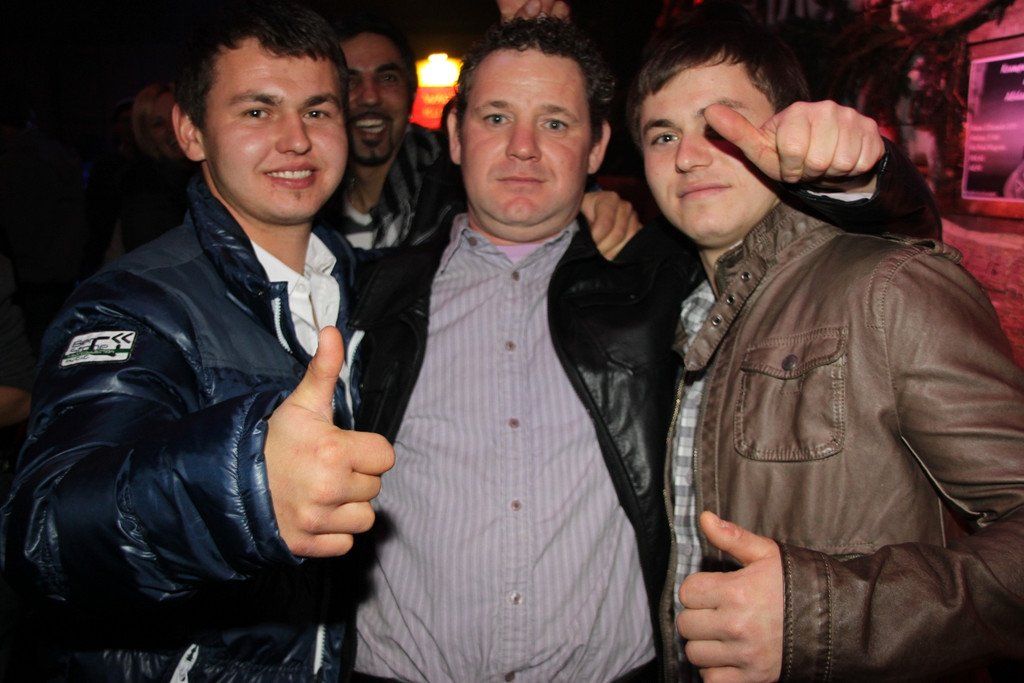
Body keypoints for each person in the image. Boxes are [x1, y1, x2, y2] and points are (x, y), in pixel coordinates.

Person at [349, 16, 936, 682]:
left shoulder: (663, 277)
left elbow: (889, 239)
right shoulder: (368, 294)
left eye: (554, 123)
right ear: (455, 135)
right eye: (495, 118)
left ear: (597, 146)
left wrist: (864, 171)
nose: (522, 148)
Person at [626, 8, 1024, 680]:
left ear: (786, 135)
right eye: (663, 135)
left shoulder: (888, 286)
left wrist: (826, 617)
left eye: (720, 125)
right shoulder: (679, 308)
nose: (688, 156)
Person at [1, 1, 393, 679]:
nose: (296, 139)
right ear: (191, 132)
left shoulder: (364, 285)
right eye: (257, 110)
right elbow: (45, 533)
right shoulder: (136, 305)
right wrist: (244, 485)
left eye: (317, 110)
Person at [324, 4, 639, 255]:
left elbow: (541, 187)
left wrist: (595, 202)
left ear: (412, 91)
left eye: (387, 78)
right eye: (351, 80)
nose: (369, 96)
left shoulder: (453, 178)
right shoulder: (311, 196)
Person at [119, 82, 195, 253]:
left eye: (177, 117)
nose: (172, 129)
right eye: (159, 124)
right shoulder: (145, 192)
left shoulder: (206, 177)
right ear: (146, 134)